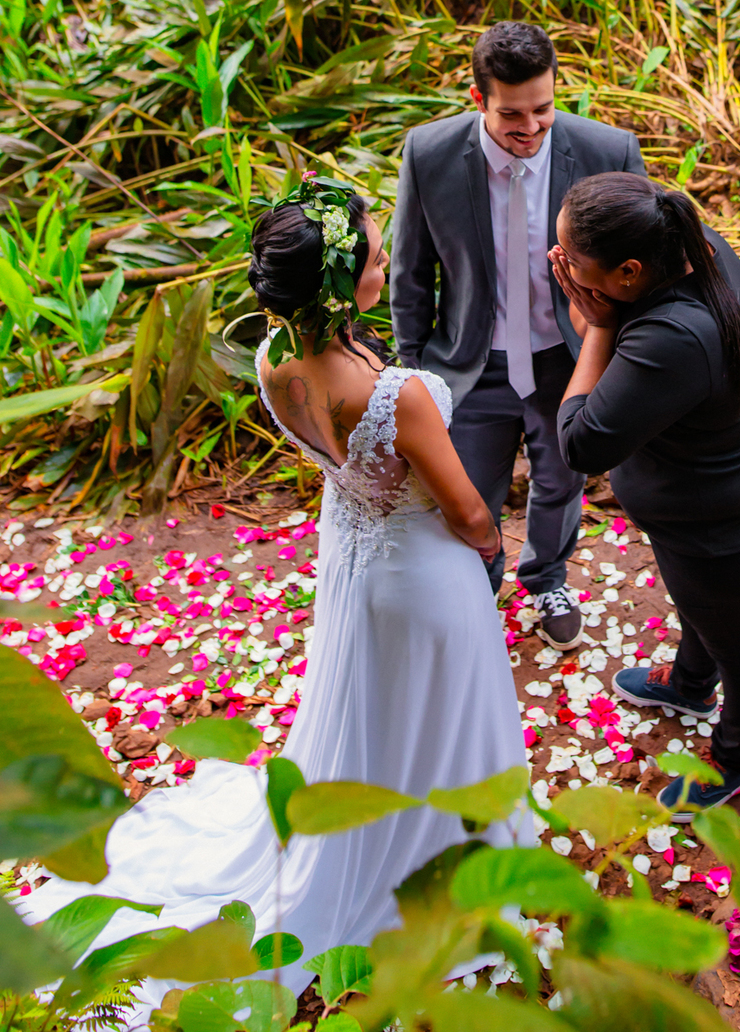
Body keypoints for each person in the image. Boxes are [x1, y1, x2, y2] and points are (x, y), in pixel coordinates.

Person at [22, 174, 529, 994]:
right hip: (421, 571)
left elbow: (347, 461)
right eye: (370, 251)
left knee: (372, 711)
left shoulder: (271, 356)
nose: (384, 254)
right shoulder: (393, 396)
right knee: (438, 713)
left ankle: (373, 833)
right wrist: (493, 544)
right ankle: (439, 865)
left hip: (356, 554)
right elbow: (467, 509)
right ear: (338, 282)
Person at [550, 172, 740, 820]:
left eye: (571, 263)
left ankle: (734, 756)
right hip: (708, 514)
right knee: (705, 613)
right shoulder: (690, 245)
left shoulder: (672, 336)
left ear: (630, 272)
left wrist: (599, 328)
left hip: (729, 531)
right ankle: (691, 685)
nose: (560, 270)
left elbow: (579, 442)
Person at [390, 20, 645, 650]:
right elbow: (409, 271)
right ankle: (477, 586)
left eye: (544, 109)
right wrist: (415, 371)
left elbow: (640, 265)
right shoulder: (428, 154)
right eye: (511, 115)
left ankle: (548, 577)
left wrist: (619, 358)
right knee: (470, 491)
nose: (529, 128)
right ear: (477, 99)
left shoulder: (607, 151)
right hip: (470, 367)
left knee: (562, 482)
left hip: (569, 359)